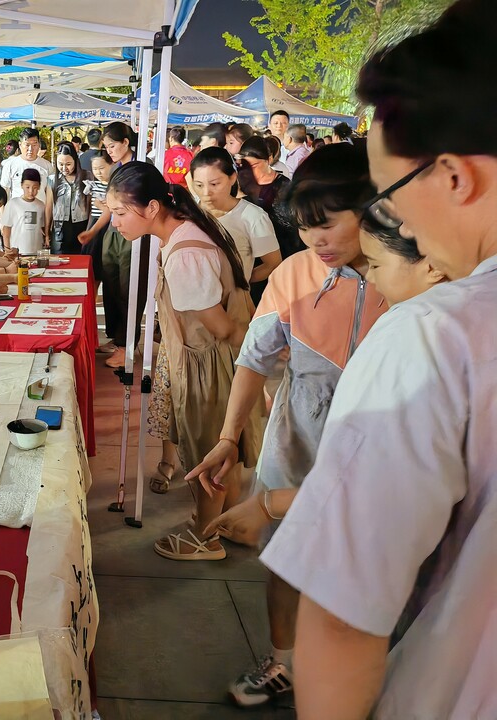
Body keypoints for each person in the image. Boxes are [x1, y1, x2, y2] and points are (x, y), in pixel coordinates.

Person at [260, 2, 497, 716]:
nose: (387, 229)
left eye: (387, 198)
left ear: (455, 176)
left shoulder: (438, 337)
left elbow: (341, 612)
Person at [186, 144, 386, 707]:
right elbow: (254, 355)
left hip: (373, 433)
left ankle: (356, 668)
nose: (315, 241)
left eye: (327, 226)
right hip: (299, 425)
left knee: (367, 547)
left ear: (373, 210)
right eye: (304, 228)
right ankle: (283, 661)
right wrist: (229, 438)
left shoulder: (411, 280)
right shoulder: (298, 273)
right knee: (285, 552)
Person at [103, 162, 259, 562]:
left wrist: (262, 353)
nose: (114, 222)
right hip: (210, 359)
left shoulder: (184, 254)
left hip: (209, 363)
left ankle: (204, 538)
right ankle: (230, 524)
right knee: (228, 452)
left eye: (120, 213)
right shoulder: (189, 229)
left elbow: (220, 328)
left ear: (152, 207)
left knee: (209, 452)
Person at [79, 122, 148, 368]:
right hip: (112, 232)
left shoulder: (141, 168)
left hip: (133, 235)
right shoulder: (115, 169)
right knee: (110, 285)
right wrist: (93, 232)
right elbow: (108, 207)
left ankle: (126, 345)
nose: (109, 151)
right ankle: (117, 339)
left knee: (128, 288)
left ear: (126, 142)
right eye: (106, 147)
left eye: (112, 145)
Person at [189, 148, 281, 305]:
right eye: (199, 184)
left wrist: (240, 280)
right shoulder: (188, 215)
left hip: (231, 305)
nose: (206, 192)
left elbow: (272, 263)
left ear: (232, 178)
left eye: (214, 184)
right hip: (190, 303)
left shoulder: (253, 217)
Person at [237, 136, 303, 262]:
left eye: (254, 165)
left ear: (269, 159)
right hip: (250, 251)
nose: (249, 170)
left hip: (282, 250)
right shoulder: (241, 185)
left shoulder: (285, 187)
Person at [45, 142, 90, 255]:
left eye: (68, 164)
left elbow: (90, 205)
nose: (64, 168)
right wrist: (47, 233)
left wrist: (90, 230)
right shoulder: (52, 180)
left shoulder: (87, 177)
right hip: (60, 228)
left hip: (81, 226)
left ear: (75, 161)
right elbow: (49, 207)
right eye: (60, 164)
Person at [82, 150, 112, 289]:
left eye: (102, 168)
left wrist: (101, 206)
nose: (98, 172)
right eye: (95, 169)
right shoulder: (93, 185)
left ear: (111, 165)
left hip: (108, 227)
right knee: (92, 269)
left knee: (103, 268)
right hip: (94, 224)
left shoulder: (114, 187)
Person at [0, 168, 46, 254]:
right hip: (18, 252)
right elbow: (6, 229)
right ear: (21, 185)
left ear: (39, 186)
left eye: (35, 187)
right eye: (27, 187)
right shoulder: (13, 203)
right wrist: (7, 249)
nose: (31, 191)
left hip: (37, 252)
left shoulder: (41, 205)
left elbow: (43, 228)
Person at [1, 127, 52, 199]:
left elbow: (50, 194)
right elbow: (5, 191)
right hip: (17, 209)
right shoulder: (10, 165)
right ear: (20, 145)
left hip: (40, 209)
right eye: (27, 145)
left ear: (39, 145)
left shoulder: (47, 166)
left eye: (34, 145)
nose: (30, 149)